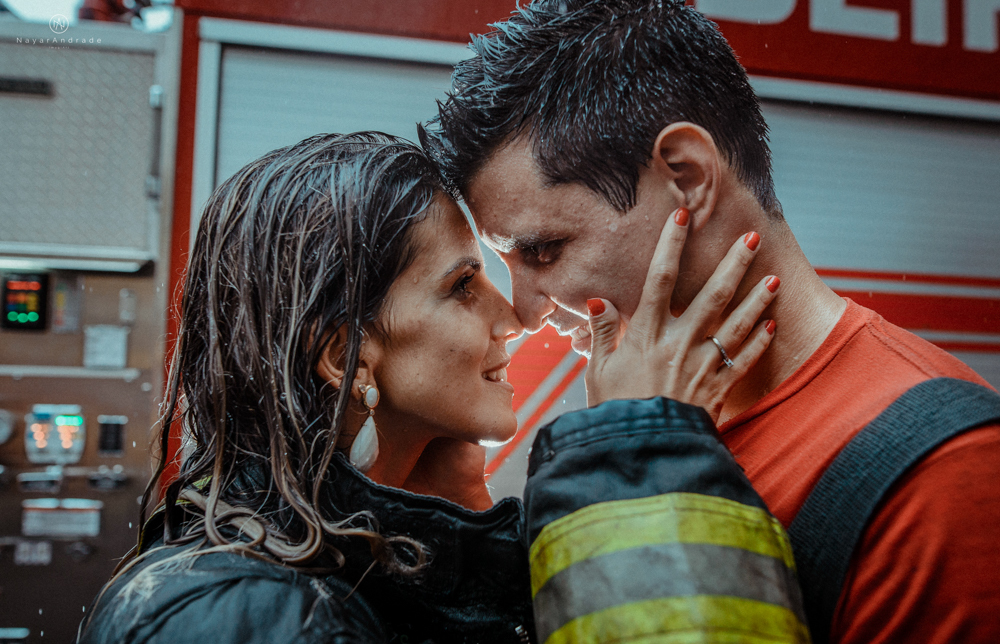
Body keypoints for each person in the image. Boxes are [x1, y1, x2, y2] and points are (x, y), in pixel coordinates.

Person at [76, 132, 807, 644]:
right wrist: (639, 455)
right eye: (462, 286)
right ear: (344, 356)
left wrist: (456, 536)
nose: (517, 314)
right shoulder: (236, 617)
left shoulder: (322, 561)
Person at [420, 1, 1000, 643]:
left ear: (687, 176)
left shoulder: (946, 477)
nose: (525, 311)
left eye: (544, 250)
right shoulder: (633, 420)